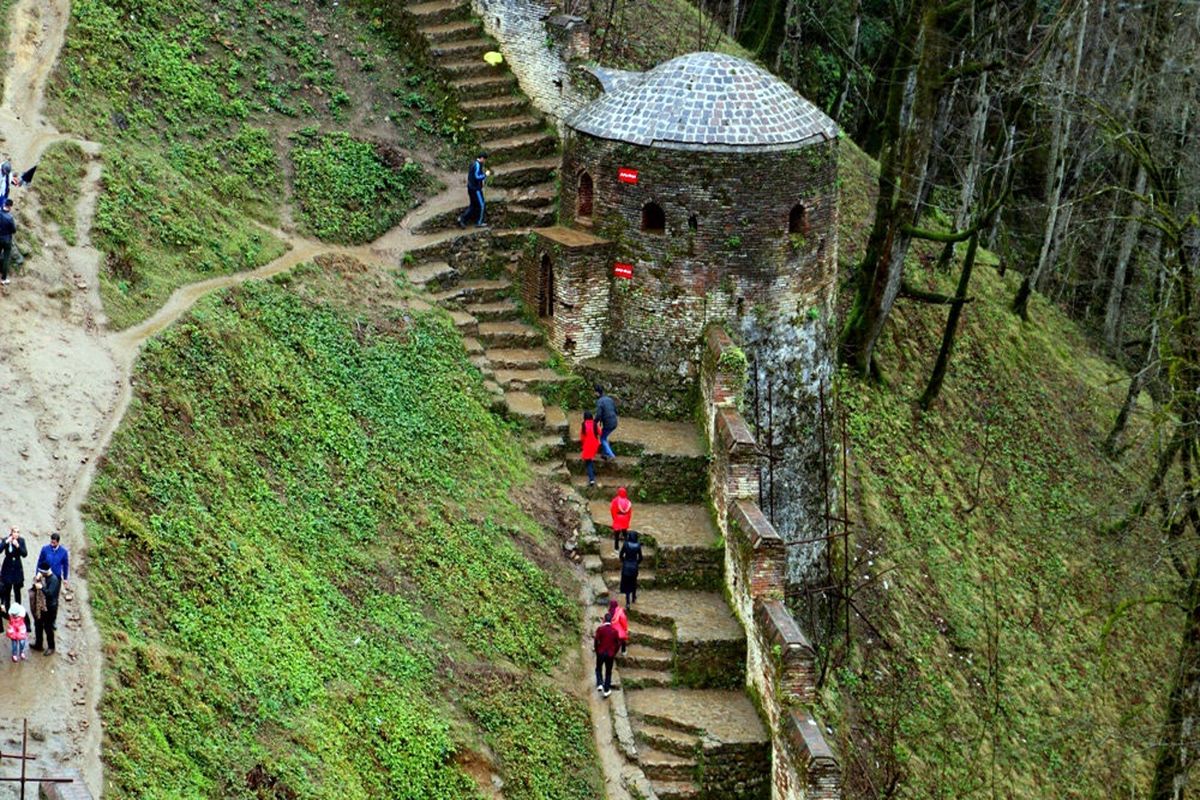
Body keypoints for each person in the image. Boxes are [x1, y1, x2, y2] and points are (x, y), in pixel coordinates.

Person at [30, 567, 59, 656]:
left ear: (46, 572)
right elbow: (34, 588)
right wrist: (37, 579)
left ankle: (51, 647)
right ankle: (38, 644)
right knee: (38, 624)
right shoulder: (42, 578)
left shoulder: (54, 580)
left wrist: (41, 587)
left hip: (50, 608)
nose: (40, 574)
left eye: (41, 572)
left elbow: (50, 594)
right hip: (41, 606)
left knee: (48, 628)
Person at [456, 152, 489, 228]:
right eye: (484, 159)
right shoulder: (477, 165)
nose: (485, 161)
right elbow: (477, 177)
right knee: (482, 205)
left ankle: (462, 218)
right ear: (482, 158)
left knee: (473, 206)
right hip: (476, 189)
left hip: (471, 188)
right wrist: (485, 175)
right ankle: (479, 222)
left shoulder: (473, 163)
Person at [593, 611, 620, 698]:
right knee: (608, 672)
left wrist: (597, 650)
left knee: (598, 668)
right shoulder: (614, 631)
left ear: (604, 620)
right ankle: (606, 690)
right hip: (610, 654)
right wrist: (614, 652)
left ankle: (600, 683)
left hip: (601, 652)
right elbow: (618, 643)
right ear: (611, 621)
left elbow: (596, 640)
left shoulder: (600, 629)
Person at [0, 526, 26, 612]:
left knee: (17, 590)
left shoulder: (21, 541)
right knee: (7, 590)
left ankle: (18, 610)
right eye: (15, 532)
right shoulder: (6, 539)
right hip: (7, 566)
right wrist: (6, 542)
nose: (16, 534)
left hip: (17, 567)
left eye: (18, 532)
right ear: (11, 532)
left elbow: (25, 554)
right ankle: (7, 609)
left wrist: (18, 546)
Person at [593, 384, 619, 462]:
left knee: (602, 439)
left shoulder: (600, 402)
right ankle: (605, 454)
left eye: (594, 392)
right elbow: (615, 410)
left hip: (608, 423)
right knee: (605, 435)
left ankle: (611, 455)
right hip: (614, 421)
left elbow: (598, 415)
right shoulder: (610, 399)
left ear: (597, 393)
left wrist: (594, 422)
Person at [618, 530, 643, 608]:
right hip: (634, 567)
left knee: (627, 585)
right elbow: (641, 557)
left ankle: (628, 602)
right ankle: (634, 598)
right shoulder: (638, 546)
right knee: (633, 582)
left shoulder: (625, 544)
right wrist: (636, 563)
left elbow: (621, 555)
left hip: (626, 567)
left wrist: (624, 561)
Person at [580, 411, 601, 487]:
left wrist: (583, 445)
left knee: (588, 462)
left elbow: (582, 437)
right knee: (590, 458)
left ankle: (591, 479)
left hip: (587, 445)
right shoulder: (595, 424)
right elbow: (600, 432)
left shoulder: (583, 425)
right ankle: (593, 472)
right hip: (595, 444)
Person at [610, 487, 632, 552]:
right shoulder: (628, 502)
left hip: (617, 518)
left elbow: (612, 510)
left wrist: (614, 519)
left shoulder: (615, 500)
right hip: (625, 518)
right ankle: (627, 548)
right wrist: (627, 521)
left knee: (616, 535)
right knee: (625, 534)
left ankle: (616, 548)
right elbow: (630, 514)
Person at [0, 197, 15, 286]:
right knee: (6, 258)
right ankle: (3, 279)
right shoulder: (10, 218)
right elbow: (13, 230)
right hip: (6, 240)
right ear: (10, 207)